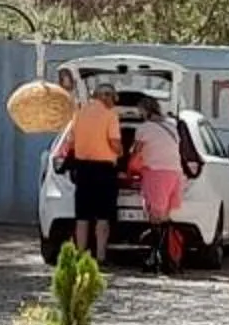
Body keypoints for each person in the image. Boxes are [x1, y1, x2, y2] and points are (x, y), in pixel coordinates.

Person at [53, 73, 125, 264]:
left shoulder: (79, 113)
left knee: (82, 216)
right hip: (104, 171)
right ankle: (100, 256)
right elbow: (115, 143)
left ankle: (81, 253)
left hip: (82, 170)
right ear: (104, 97)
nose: (113, 100)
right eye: (111, 96)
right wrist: (121, 152)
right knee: (103, 216)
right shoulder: (111, 116)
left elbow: (71, 142)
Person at [129, 104, 187, 266]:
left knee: (155, 217)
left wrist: (128, 169)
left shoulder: (144, 128)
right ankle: (168, 256)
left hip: (156, 173)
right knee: (166, 216)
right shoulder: (172, 125)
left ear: (145, 111)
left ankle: (155, 256)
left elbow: (137, 152)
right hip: (175, 173)